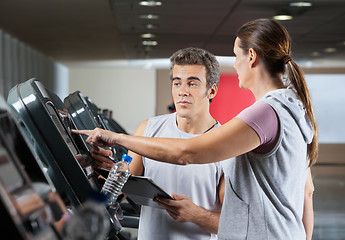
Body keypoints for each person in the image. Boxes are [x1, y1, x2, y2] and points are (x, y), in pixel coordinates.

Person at [74, 19, 317, 240]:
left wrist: (117, 138)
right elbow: (307, 191)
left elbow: (186, 153)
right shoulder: (293, 110)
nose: (182, 90)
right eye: (177, 82)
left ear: (251, 56)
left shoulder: (265, 113)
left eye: (235, 55)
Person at [88, 47, 229, 239]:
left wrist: (196, 215)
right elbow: (121, 190)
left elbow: (233, 224)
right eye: (177, 83)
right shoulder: (148, 129)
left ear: (211, 90)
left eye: (193, 84)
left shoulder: (226, 145)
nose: (182, 92)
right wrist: (107, 170)